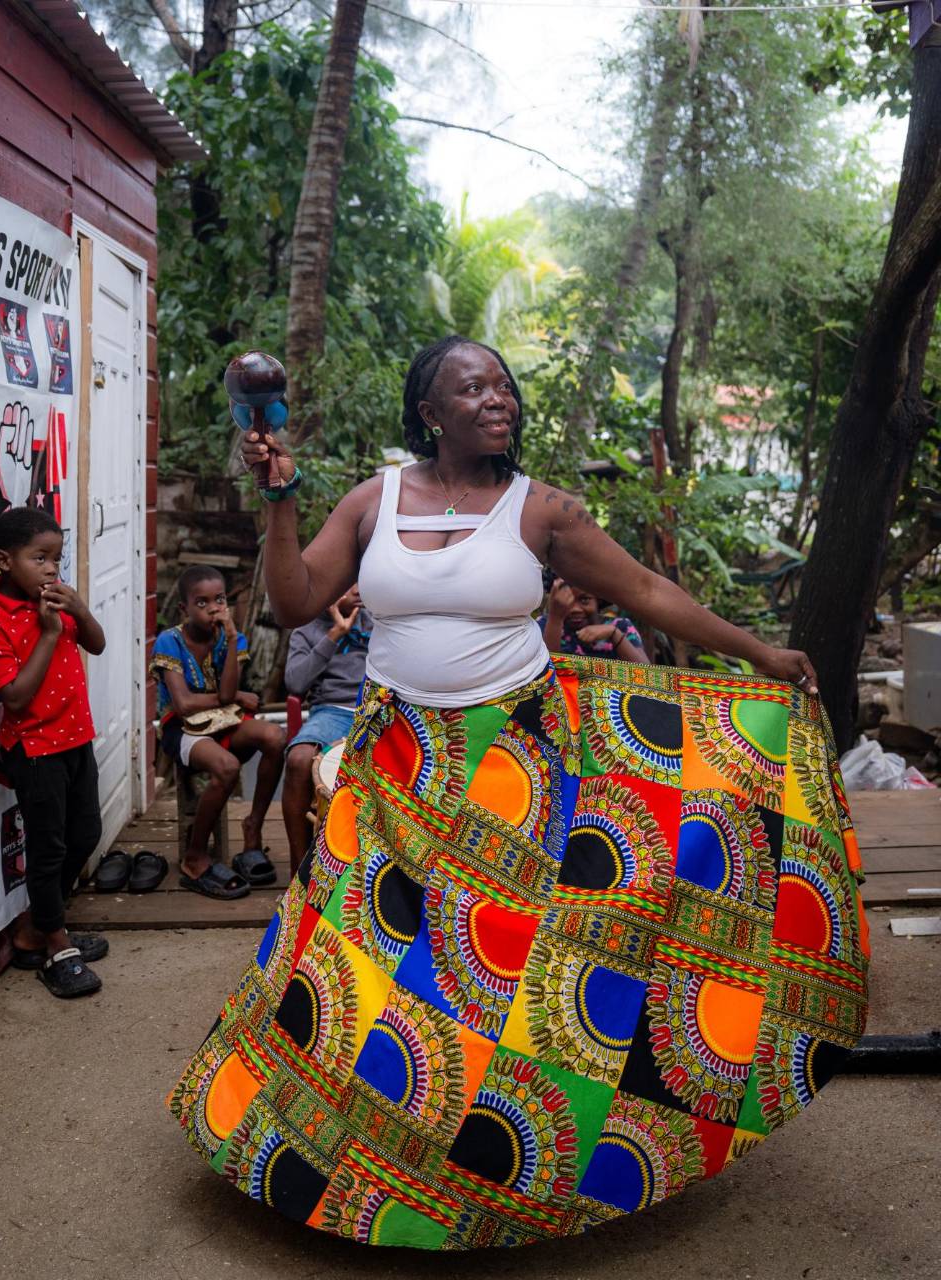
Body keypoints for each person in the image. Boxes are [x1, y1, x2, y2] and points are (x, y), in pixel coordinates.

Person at [170, 336, 867, 1249]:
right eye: (473, 387)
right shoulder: (374, 500)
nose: (496, 399)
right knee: (356, 960)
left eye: (503, 386)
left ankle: (508, 1177)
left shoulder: (541, 510)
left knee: (499, 976)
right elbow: (299, 600)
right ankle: (342, 1162)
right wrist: (279, 496)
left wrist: (760, 653)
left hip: (517, 765)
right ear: (429, 409)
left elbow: (650, 588)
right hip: (398, 766)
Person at [0, 508, 107, 998]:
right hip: (35, 748)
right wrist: (50, 633)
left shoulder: (56, 601)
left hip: (77, 736)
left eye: (57, 558)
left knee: (87, 832)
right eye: (40, 558)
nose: (53, 569)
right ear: (4, 561)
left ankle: (35, 927)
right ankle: (56, 944)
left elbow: (96, 644)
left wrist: (78, 612)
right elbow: (13, 696)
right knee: (47, 846)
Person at [150, 566, 285, 899]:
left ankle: (252, 829)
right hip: (181, 731)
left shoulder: (232, 638)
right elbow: (182, 704)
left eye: (220, 600)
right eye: (202, 602)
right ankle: (195, 857)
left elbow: (225, 696)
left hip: (223, 721)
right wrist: (238, 697)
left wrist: (229, 640)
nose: (213, 608)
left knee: (274, 737)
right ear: (184, 609)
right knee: (226, 767)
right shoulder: (171, 640)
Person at [281, 584, 372, 875]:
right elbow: (295, 683)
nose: (357, 589)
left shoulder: (379, 621)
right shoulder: (306, 631)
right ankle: (300, 870)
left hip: (375, 708)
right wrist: (335, 634)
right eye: (346, 584)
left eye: (359, 580)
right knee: (297, 759)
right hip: (332, 711)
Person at [539, 577, 648, 662]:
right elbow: (545, 671)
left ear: (598, 600)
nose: (575, 609)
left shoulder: (621, 626)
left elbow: (647, 673)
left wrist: (614, 634)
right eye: (567, 601)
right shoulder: (544, 625)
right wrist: (555, 619)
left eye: (584, 600)